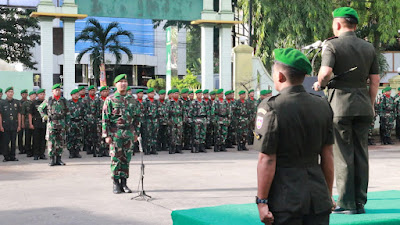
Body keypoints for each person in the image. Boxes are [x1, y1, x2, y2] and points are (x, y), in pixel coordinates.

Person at [313, 7, 379, 214]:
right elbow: (375, 80)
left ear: (338, 24)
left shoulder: (332, 45)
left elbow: (325, 72)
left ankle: (346, 203)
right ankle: (360, 202)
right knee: (361, 153)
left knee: (343, 154)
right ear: (355, 25)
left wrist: (319, 84)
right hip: (363, 106)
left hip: (340, 106)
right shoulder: (368, 48)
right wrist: (370, 103)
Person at [256, 48, 334, 225]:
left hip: (285, 200)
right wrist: (327, 195)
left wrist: (262, 202)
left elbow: (267, 159)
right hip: (318, 198)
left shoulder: (270, 107)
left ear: (281, 76)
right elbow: (328, 155)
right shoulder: (322, 105)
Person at [102, 74, 139, 194]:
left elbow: (137, 117)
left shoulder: (132, 100)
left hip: (128, 132)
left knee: (126, 159)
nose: (123, 84)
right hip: (115, 133)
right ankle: (116, 183)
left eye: (125, 81)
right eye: (120, 82)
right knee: (116, 159)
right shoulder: (110, 100)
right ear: (115, 85)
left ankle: (124, 183)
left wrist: (135, 133)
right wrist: (106, 135)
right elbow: (105, 119)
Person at [38, 84, 70, 166]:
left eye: (59, 90)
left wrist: (67, 123)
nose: (58, 91)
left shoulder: (63, 100)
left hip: (61, 123)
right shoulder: (49, 100)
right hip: (52, 124)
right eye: (56, 90)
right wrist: (44, 116)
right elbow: (40, 108)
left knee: (60, 142)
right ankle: (52, 159)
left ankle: (59, 159)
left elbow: (67, 112)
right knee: (51, 142)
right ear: (52, 91)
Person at [0, 87, 21, 162]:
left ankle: (13, 156)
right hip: (5, 125)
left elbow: (19, 114)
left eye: (12, 92)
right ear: (6, 93)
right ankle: (6, 156)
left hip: (14, 125)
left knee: (13, 141)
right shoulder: (2, 102)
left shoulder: (16, 102)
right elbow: (0, 115)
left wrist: (19, 125)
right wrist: (1, 126)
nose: (11, 93)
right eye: (9, 92)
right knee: (5, 142)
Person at [66, 89, 85, 158]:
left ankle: (77, 152)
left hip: (79, 122)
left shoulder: (81, 103)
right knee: (70, 138)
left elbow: (84, 113)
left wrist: (83, 121)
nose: (76, 95)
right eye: (74, 94)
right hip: (71, 122)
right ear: (71, 95)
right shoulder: (68, 103)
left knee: (78, 138)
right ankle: (71, 152)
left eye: (77, 94)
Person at [29, 89, 47, 160]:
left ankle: (42, 154)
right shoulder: (34, 103)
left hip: (44, 123)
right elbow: (30, 114)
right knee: (36, 139)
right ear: (37, 95)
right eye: (40, 94)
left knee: (43, 140)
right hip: (36, 123)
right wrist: (30, 123)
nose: (42, 95)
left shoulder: (46, 102)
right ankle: (36, 154)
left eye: (43, 94)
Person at [142, 88, 159, 155]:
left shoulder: (156, 101)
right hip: (148, 119)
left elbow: (158, 110)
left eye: (153, 93)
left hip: (155, 119)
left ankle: (154, 148)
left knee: (154, 134)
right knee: (148, 134)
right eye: (150, 93)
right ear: (148, 94)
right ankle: (147, 149)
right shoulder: (145, 101)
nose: (152, 94)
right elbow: (142, 111)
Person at [168, 89, 184, 154]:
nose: (176, 95)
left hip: (179, 119)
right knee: (172, 134)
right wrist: (168, 120)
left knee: (179, 134)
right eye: (175, 93)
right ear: (172, 94)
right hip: (172, 119)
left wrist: (183, 119)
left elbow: (184, 111)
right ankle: (172, 148)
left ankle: (178, 147)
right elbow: (167, 112)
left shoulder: (181, 102)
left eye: (177, 93)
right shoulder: (170, 102)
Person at [22, 91, 36, 157]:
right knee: (28, 138)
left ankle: (34, 150)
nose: (34, 96)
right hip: (27, 123)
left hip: (36, 123)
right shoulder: (25, 103)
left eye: (34, 95)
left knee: (35, 138)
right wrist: (23, 123)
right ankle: (28, 151)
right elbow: (23, 114)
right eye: (32, 95)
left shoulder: (37, 103)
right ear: (29, 96)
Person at [97, 86, 110, 157]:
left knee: (108, 135)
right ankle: (100, 150)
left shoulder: (110, 100)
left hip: (108, 120)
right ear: (101, 92)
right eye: (103, 91)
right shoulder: (98, 100)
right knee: (100, 136)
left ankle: (106, 150)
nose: (105, 93)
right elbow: (94, 111)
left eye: (106, 91)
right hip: (99, 120)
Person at [18, 89, 28, 154]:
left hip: (27, 121)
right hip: (20, 121)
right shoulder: (19, 102)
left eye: (26, 94)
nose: (25, 95)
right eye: (23, 94)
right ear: (21, 95)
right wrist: (21, 123)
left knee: (27, 136)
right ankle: (21, 149)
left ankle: (27, 149)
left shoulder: (28, 102)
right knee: (20, 136)